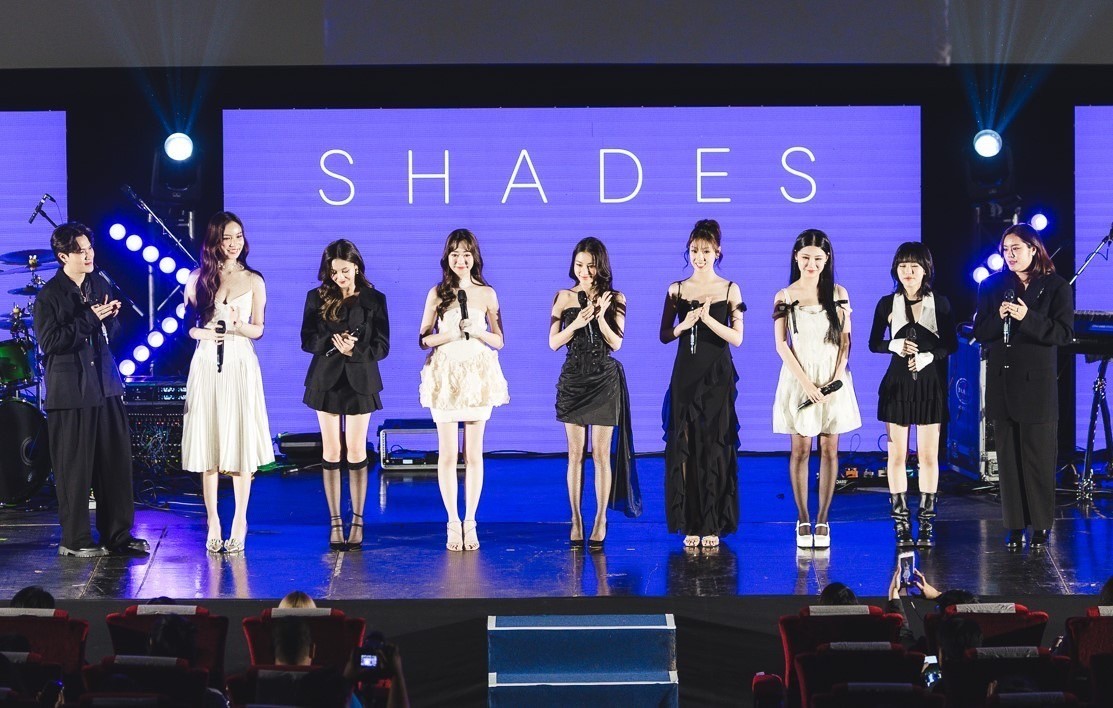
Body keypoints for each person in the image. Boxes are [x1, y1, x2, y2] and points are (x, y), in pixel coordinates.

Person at [32, 223, 147, 558]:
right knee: (74, 468)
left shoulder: (99, 283)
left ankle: (118, 535)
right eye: (80, 251)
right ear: (63, 256)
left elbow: (113, 333)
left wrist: (110, 318)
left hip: (105, 385)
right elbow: (51, 342)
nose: (88, 255)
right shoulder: (49, 296)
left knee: (115, 463)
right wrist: (90, 320)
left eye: (89, 248)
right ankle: (75, 539)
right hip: (71, 391)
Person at [972, 223, 1073, 549]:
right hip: (1002, 384)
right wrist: (999, 317)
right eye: (1005, 250)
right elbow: (980, 331)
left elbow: (1062, 334)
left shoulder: (1056, 287)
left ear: (1033, 248)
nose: (1010, 255)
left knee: (1038, 459)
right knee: (1008, 461)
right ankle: (1014, 526)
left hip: (1037, 388)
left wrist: (1026, 317)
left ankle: (1041, 526)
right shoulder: (992, 286)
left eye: (1016, 249)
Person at [181, 212, 274, 555]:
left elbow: (259, 328)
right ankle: (213, 521)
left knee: (239, 440)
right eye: (227, 238)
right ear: (214, 242)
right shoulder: (197, 278)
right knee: (210, 442)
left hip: (239, 361)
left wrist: (237, 326)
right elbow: (187, 326)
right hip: (207, 361)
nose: (234, 244)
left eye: (239, 236)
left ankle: (239, 521)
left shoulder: (254, 280)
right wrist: (202, 333)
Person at [419, 229, 509, 551]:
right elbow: (423, 339)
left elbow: (499, 340)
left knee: (473, 454)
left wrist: (478, 332)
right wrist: (451, 334)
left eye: (466, 254)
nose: (461, 260)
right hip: (446, 375)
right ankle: (452, 522)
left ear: (475, 257)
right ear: (447, 258)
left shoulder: (487, 294)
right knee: (447, 454)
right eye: (455, 254)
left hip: (476, 375)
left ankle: (470, 521)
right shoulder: (437, 293)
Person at [549, 237, 640, 549]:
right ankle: (576, 519)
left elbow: (616, 343)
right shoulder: (563, 297)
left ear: (601, 266)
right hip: (574, 380)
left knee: (600, 454)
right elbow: (553, 342)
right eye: (579, 265)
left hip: (603, 380)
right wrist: (577, 323)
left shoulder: (615, 297)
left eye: (590, 266)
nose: (584, 271)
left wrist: (600, 316)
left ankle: (600, 519)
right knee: (575, 454)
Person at [773, 229, 861, 549]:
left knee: (829, 448)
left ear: (827, 260)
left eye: (818, 259)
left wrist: (835, 380)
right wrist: (807, 384)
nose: (811, 264)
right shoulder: (784, 295)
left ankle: (823, 519)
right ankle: (803, 518)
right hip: (800, 378)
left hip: (832, 379)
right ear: (796, 257)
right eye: (806, 257)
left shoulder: (838, 292)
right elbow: (782, 345)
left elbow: (845, 341)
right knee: (800, 450)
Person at [659, 219, 744, 549]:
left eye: (706, 251)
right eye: (694, 250)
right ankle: (690, 523)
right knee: (686, 447)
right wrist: (684, 325)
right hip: (685, 376)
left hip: (717, 377)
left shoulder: (730, 289)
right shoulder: (676, 290)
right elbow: (665, 334)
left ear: (717, 252)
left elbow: (737, 337)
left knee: (714, 447)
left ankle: (713, 523)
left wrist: (708, 319)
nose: (699, 257)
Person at [301, 239, 390, 551]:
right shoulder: (316, 297)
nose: (339, 276)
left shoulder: (374, 299)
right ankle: (336, 522)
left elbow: (383, 346)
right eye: (333, 271)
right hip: (325, 380)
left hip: (360, 379)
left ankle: (358, 521)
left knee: (355, 450)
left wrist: (355, 350)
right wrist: (331, 341)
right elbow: (307, 339)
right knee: (331, 450)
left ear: (356, 266)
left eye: (344, 270)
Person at [869, 243, 958, 548]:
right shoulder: (886, 303)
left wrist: (929, 356)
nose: (908, 272)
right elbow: (873, 343)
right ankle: (901, 523)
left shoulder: (940, 303)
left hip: (929, 384)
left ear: (926, 270)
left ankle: (927, 523)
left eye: (914, 266)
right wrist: (892, 346)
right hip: (898, 385)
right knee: (897, 455)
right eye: (902, 266)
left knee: (928, 456)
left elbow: (951, 344)